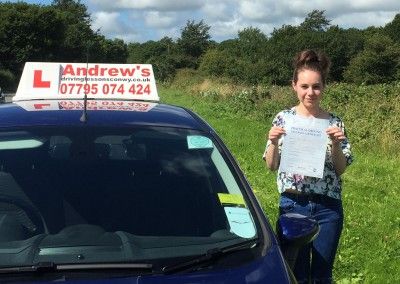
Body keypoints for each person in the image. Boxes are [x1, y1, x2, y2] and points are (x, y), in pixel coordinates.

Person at [263, 49, 353, 283]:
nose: (310, 93)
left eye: (316, 86)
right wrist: (272, 142)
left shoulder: (334, 122)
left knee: (322, 275)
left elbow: (341, 168)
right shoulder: (284, 119)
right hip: (294, 204)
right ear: (294, 85)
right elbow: (272, 166)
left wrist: (335, 143)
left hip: (328, 208)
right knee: (296, 275)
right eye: (304, 86)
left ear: (323, 87)